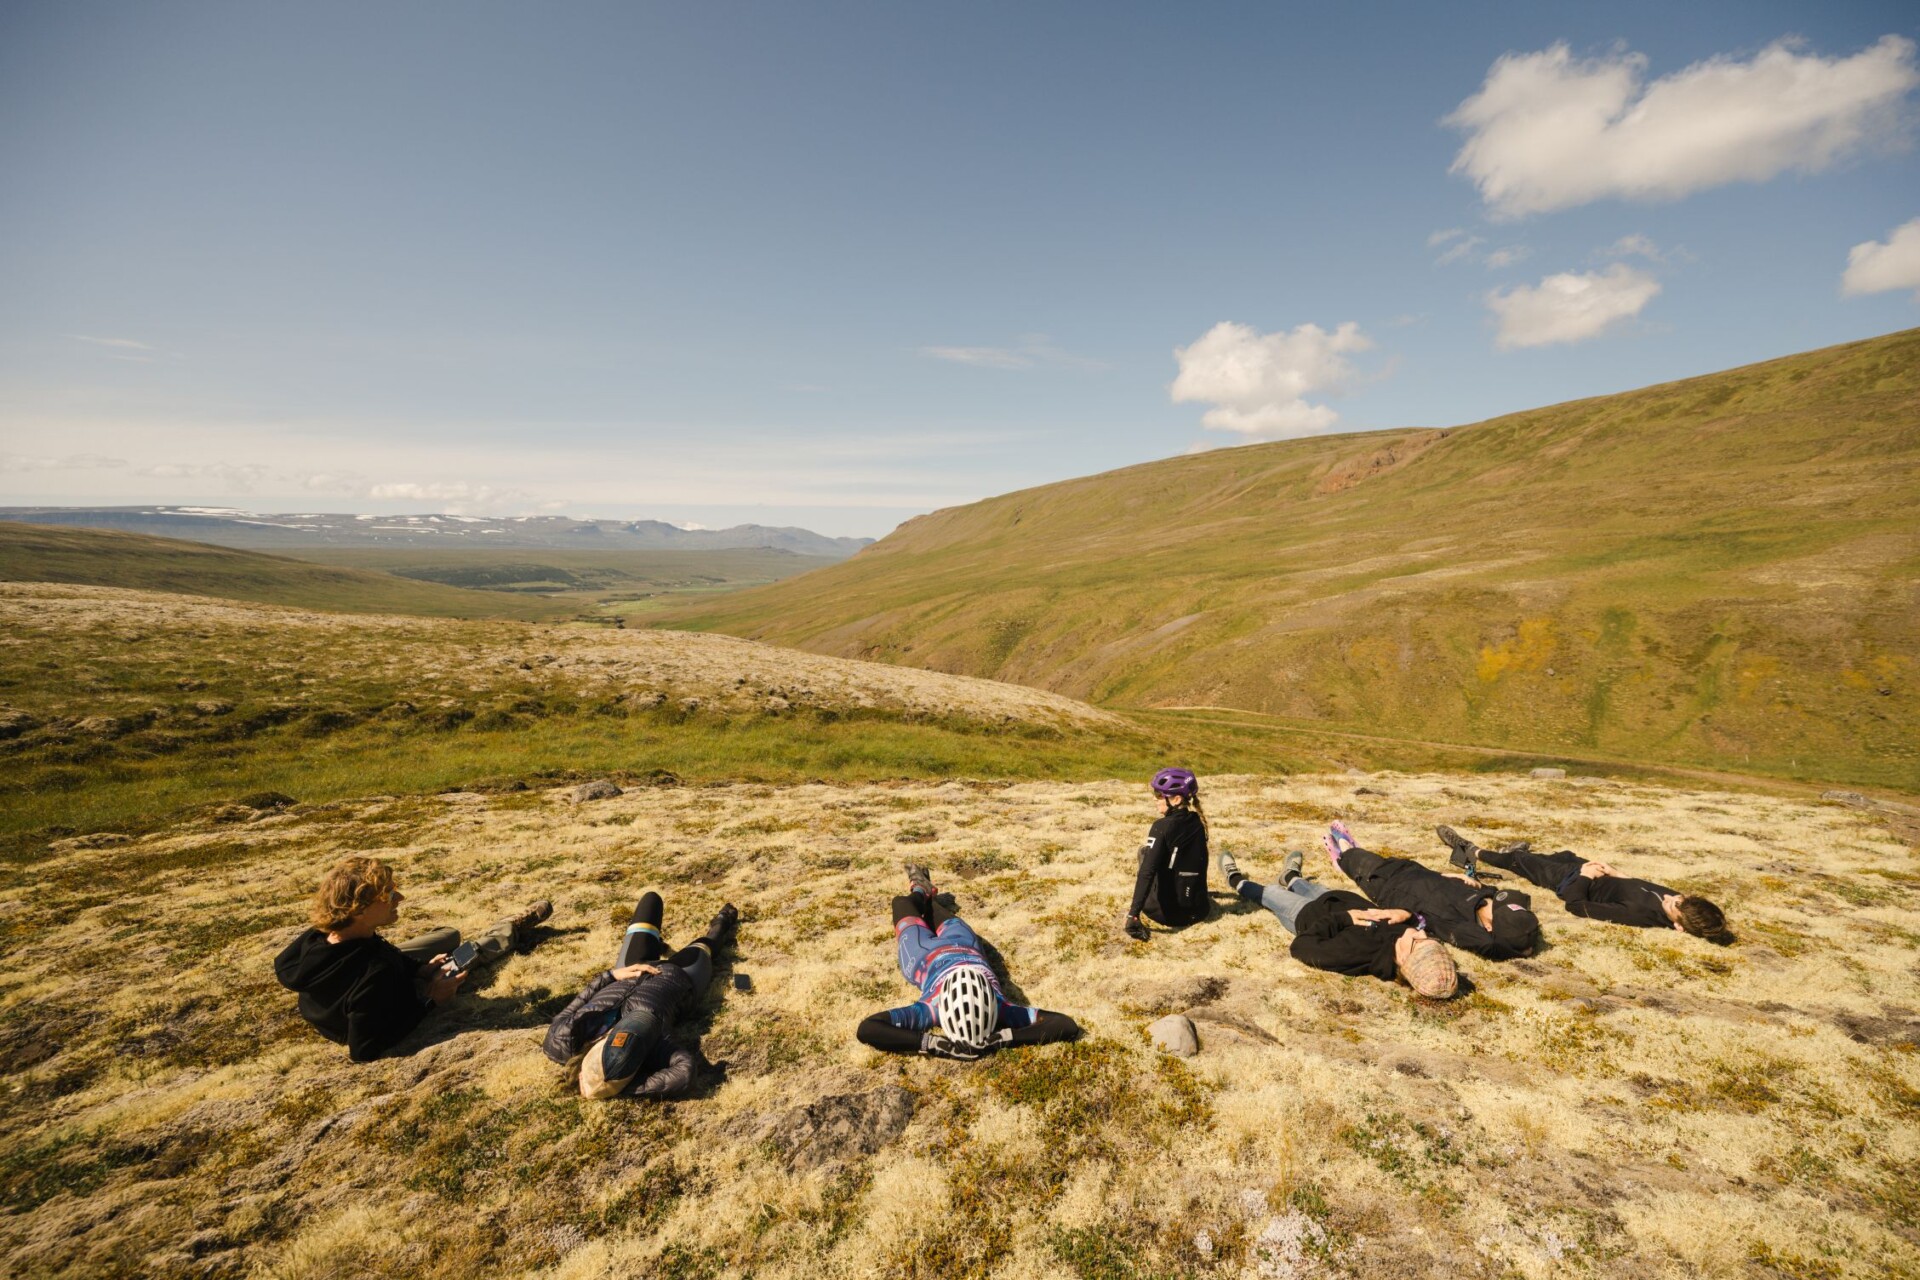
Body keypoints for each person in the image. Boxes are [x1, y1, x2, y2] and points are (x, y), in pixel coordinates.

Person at [274, 855, 551, 1062]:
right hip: (382, 1001)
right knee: (459, 960)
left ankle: (437, 961)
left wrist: (419, 969)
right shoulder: (375, 975)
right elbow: (364, 1050)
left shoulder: (323, 934)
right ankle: (508, 930)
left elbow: (374, 953)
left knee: (448, 935)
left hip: (372, 969)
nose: (400, 897)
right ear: (359, 910)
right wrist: (431, 999)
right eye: (389, 894)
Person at [856, 862, 1080, 1060]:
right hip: (960, 944)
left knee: (906, 904)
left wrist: (933, 1045)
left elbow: (868, 1028)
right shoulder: (1002, 1008)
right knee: (922, 905)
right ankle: (922, 890)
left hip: (921, 953)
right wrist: (1004, 1039)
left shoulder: (929, 1010)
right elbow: (1064, 1024)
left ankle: (922, 890)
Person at [544, 892, 738, 1099]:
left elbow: (582, 998)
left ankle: (656, 945)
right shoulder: (653, 1043)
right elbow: (685, 1073)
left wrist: (611, 975)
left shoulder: (561, 1039)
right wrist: (621, 1087)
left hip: (630, 968)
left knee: (651, 900)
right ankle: (723, 921)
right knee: (704, 944)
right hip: (679, 977)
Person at [1217, 846, 1459, 998]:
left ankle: (1235, 880)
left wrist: (1346, 918)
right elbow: (1425, 920)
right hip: (1332, 896)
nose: (1421, 933)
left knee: (1269, 892)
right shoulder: (1408, 934)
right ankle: (1291, 877)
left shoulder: (1359, 954)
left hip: (1305, 914)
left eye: (1419, 942)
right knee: (1303, 885)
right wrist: (1407, 914)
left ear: (1403, 959)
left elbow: (1302, 946)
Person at [1436, 826, 1733, 942]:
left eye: (1674, 905)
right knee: (1557, 856)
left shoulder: (1636, 914)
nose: (1671, 898)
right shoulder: (1676, 902)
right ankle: (1514, 855)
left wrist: (1586, 877)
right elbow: (1641, 885)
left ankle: (1471, 851)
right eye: (1679, 898)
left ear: (1678, 927)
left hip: (1569, 881)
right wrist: (1615, 872)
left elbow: (1577, 906)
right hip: (1581, 868)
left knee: (1519, 860)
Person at [1324, 820, 1540, 960]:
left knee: (1356, 859)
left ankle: (1344, 857)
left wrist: (1516, 950)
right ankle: (1349, 853)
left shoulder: (1461, 926)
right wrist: (1474, 882)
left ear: (1489, 927)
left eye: (1496, 906)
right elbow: (1517, 898)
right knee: (1375, 858)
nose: (1494, 900)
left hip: (1388, 885)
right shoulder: (1490, 900)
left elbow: (1489, 946)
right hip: (1415, 870)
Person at [1122, 767, 1213, 941]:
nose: (1155, 799)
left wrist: (1133, 915)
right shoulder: (1198, 822)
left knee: (1144, 853)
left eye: (1159, 795)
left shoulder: (1161, 826)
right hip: (1199, 910)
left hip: (1167, 914)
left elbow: (1147, 872)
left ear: (1176, 799)